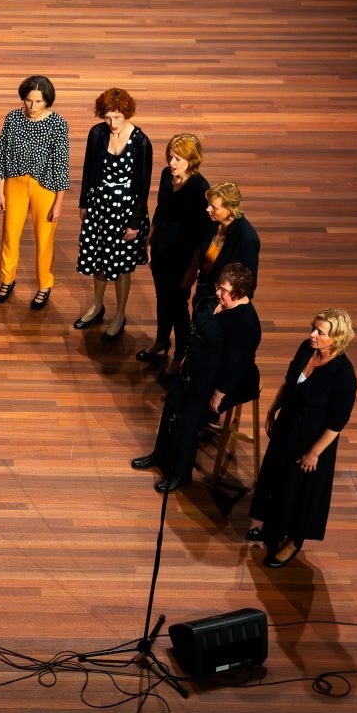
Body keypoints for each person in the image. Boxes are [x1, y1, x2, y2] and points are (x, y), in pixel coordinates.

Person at [131, 263, 262, 493]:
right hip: (195, 369)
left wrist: (219, 394)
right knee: (171, 407)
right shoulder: (217, 303)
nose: (218, 293)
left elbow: (236, 365)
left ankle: (181, 474)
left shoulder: (245, 323)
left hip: (217, 382)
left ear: (240, 293)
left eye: (224, 290)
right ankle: (159, 455)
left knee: (188, 421)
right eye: (218, 287)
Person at [248, 308, 357, 568]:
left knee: (298, 492)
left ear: (337, 339)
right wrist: (273, 409)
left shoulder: (343, 376)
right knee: (276, 480)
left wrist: (314, 453)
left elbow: (337, 423)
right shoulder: (305, 349)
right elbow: (289, 383)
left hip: (310, 442)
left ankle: (293, 542)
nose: (313, 335)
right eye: (314, 328)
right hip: (288, 428)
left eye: (320, 332)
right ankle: (271, 529)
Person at [73, 88, 153, 342]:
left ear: (126, 114)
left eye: (117, 117)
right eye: (107, 117)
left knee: (120, 266)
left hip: (125, 212)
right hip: (99, 209)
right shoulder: (97, 133)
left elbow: (143, 185)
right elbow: (88, 169)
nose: (112, 123)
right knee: (98, 258)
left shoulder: (141, 142)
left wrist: (135, 222)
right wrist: (84, 202)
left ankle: (120, 313)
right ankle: (97, 306)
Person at [0, 75, 70, 309]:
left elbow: (61, 165)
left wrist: (58, 204)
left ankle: (44, 285)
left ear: (47, 101)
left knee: (44, 240)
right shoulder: (13, 118)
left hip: (45, 187)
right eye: (28, 100)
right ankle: (7, 279)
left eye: (39, 101)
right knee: (10, 235)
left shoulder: (58, 124)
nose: (32, 107)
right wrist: (0, 190)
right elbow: (3, 154)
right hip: (14, 183)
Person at [137, 133, 213, 363]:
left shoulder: (200, 187)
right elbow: (161, 210)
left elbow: (203, 233)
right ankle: (161, 340)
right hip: (162, 250)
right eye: (170, 157)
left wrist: (193, 269)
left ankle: (181, 354)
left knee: (179, 307)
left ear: (192, 159)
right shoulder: (165, 175)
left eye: (178, 158)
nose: (172, 163)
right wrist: (149, 240)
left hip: (183, 258)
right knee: (162, 298)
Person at [189, 181, 261, 349]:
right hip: (204, 294)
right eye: (209, 205)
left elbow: (249, 284)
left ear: (229, 210)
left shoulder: (247, 239)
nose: (208, 209)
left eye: (214, 207)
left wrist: (223, 306)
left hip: (222, 304)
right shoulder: (215, 223)